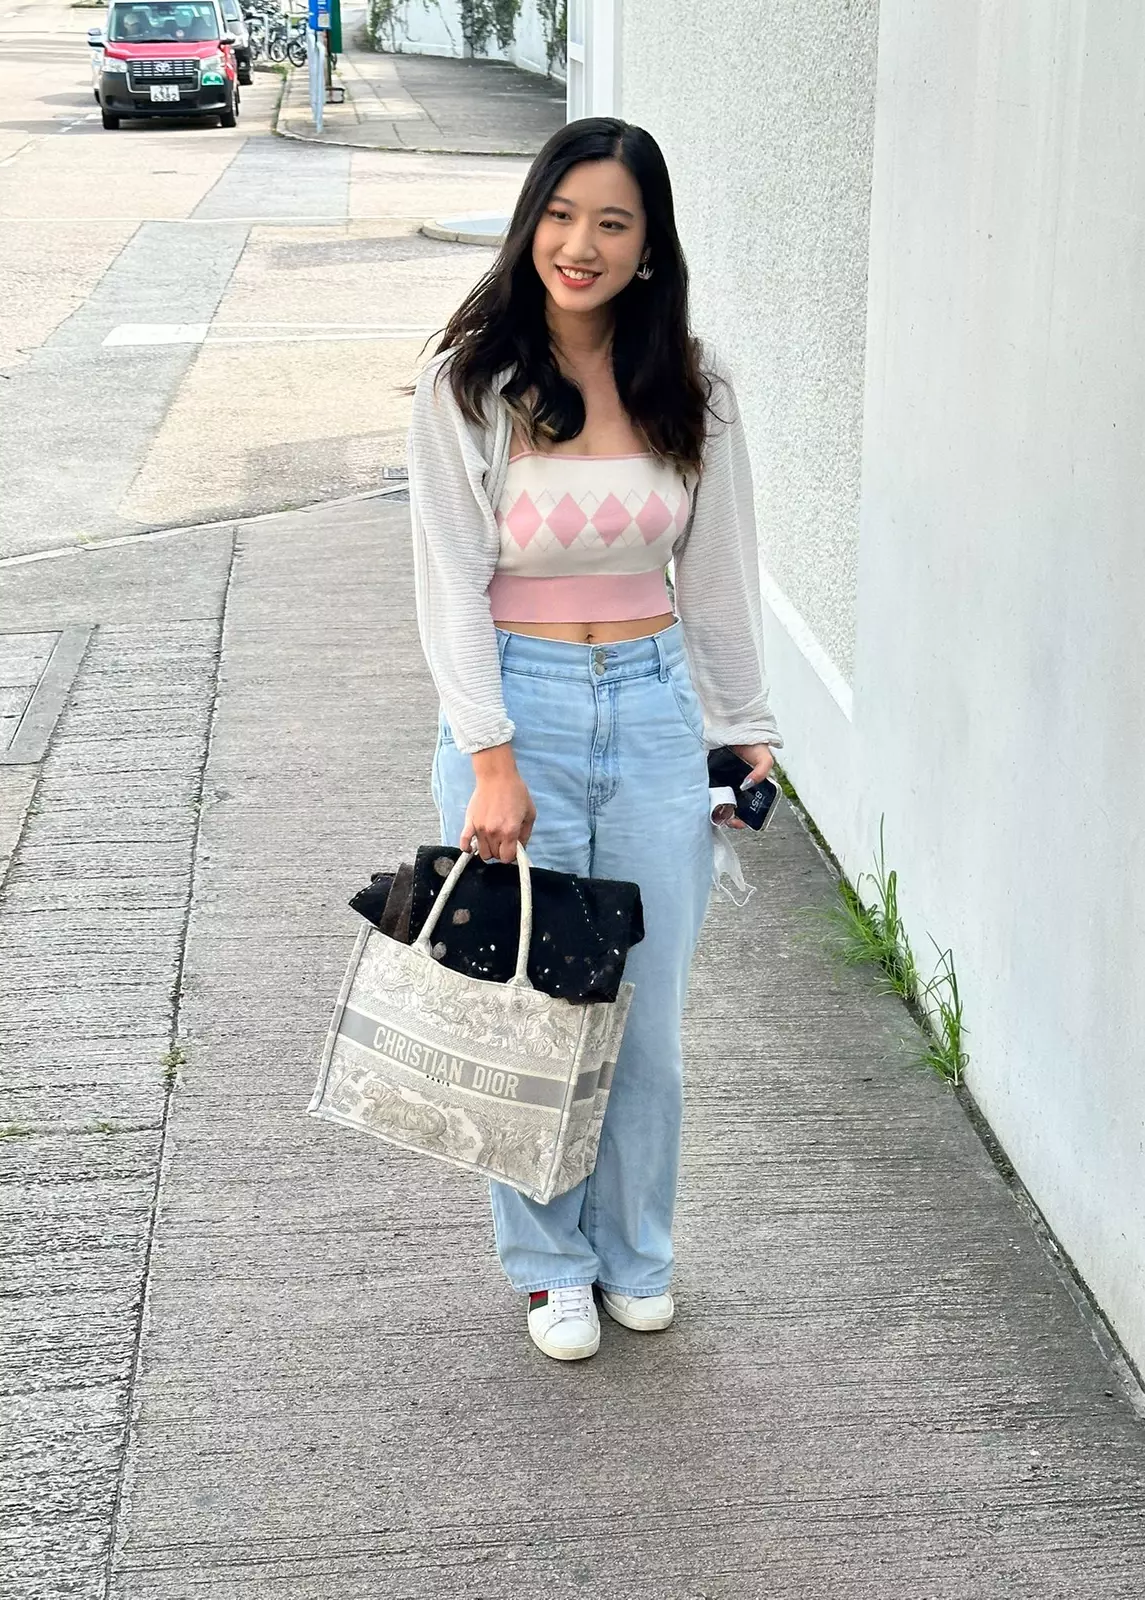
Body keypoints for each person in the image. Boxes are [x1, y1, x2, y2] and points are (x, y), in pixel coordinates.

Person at [407, 116, 781, 1362]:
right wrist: (491, 756)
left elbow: (717, 576)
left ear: (649, 244)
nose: (582, 244)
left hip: (657, 706)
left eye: (613, 222)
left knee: (646, 1019)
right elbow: (450, 585)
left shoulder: (693, 387)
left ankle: (636, 1254)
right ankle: (550, 1264)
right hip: (522, 707)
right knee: (538, 1004)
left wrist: (743, 728)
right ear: (532, 226)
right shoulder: (472, 385)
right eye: (562, 216)